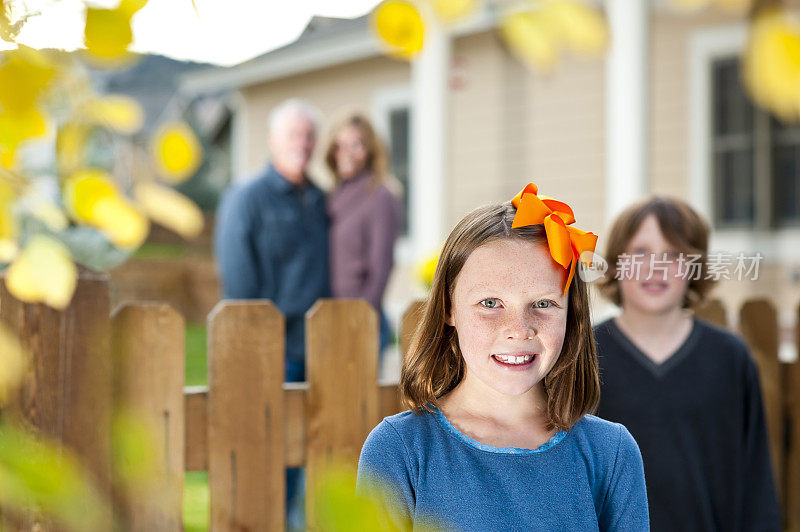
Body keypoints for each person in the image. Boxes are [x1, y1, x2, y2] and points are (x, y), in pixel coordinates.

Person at [357, 184, 650, 531]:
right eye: (490, 304)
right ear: (449, 308)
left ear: (571, 315)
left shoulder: (611, 453)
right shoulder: (399, 450)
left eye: (543, 304)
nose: (519, 329)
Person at [594, 197, 781, 531]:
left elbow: (755, 480)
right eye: (640, 253)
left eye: (673, 255)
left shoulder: (729, 358)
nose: (655, 267)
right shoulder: (586, 356)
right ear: (616, 263)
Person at [214, 98, 329, 530]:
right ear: (272, 140)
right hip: (270, 349)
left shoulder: (319, 199)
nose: (302, 143)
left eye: (308, 135)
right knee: (264, 457)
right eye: (293, 134)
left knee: (303, 452)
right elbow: (239, 283)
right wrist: (255, 347)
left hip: (316, 346)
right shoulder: (246, 198)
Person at [324, 111, 401, 355]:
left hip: (360, 320)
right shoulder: (334, 195)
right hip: (330, 318)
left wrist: (360, 319)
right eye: (340, 145)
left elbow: (381, 267)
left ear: (370, 150)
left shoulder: (380, 195)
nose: (346, 153)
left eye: (355, 145)